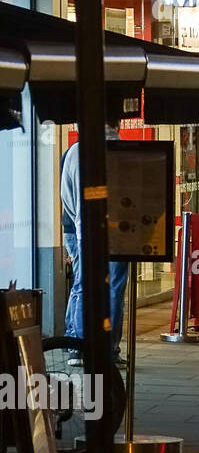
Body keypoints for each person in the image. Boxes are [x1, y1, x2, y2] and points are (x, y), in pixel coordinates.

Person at [61, 128, 131, 366]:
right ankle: (108, 349)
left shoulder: (75, 152)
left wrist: (82, 233)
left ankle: (78, 347)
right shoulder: (124, 152)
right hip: (117, 231)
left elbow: (68, 196)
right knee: (114, 289)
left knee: (83, 284)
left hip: (80, 229)